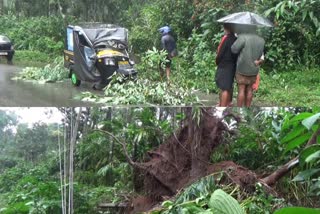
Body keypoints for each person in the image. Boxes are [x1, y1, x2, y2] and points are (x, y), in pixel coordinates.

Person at [231, 26, 265, 107]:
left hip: (242, 68)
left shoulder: (243, 37)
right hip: (254, 69)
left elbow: (234, 50)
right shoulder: (261, 40)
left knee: (241, 89)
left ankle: (239, 108)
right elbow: (261, 56)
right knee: (250, 90)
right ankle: (247, 108)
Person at [215, 24, 238, 107]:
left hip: (224, 65)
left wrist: (217, 61)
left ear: (226, 29)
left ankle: (223, 106)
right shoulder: (236, 39)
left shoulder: (227, 39)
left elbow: (220, 53)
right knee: (226, 86)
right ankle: (223, 104)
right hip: (231, 65)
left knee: (224, 88)